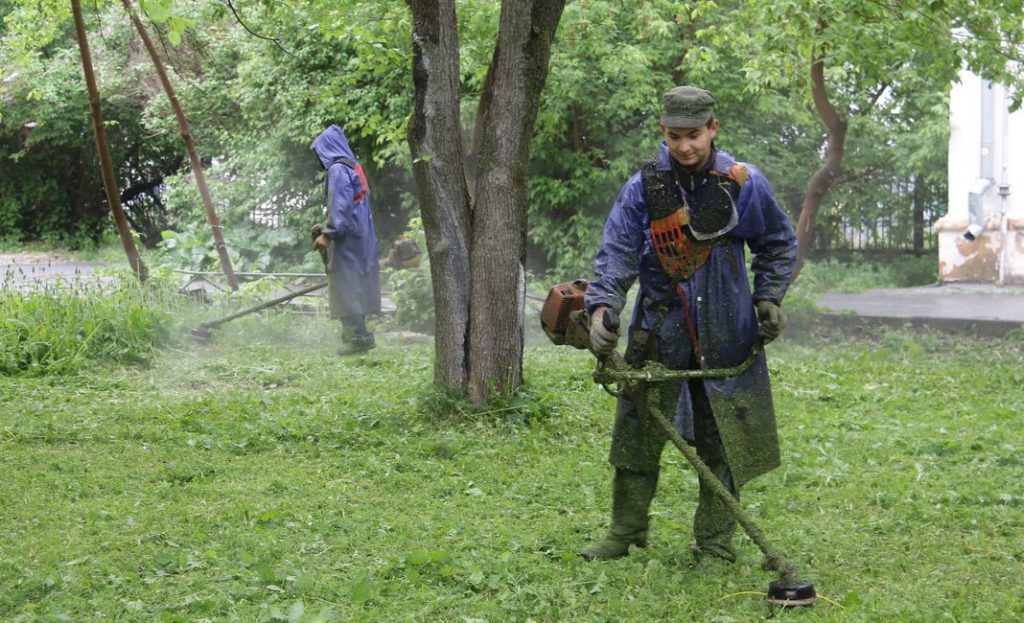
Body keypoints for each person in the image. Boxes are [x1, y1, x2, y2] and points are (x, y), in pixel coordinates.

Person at [581, 86, 798, 566]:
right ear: (663, 131)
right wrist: (602, 308)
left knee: (724, 437)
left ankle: (715, 542)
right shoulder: (642, 188)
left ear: (713, 129)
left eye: (694, 135)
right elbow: (616, 254)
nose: (684, 146)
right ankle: (625, 531)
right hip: (659, 327)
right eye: (674, 136)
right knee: (637, 430)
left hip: (728, 329)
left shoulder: (744, 183)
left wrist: (768, 297)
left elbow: (778, 243)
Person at [311, 124, 381, 355]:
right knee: (355, 282)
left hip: (347, 237)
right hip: (361, 234)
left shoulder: (337, 170)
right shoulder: (353, 166)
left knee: (345, 283)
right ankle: (354, 335)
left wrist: (328, 234)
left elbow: (340, 205)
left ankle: (358, 338)